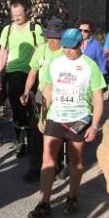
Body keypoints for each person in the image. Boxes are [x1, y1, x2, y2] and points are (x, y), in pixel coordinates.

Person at [28, 28, 105, 218]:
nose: (68, 51)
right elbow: (47, 91)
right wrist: (42, 117)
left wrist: (95, 125)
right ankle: (44, 203)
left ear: (81, 45)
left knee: (75, 160)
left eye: (72, 47)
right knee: (48, 161)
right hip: (56, 116)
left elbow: (98, 99)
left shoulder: (90, 66)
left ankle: (72, 197)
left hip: (79, 118)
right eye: (65, 47)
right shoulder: (55, 62)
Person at [0, 0, 44, 158]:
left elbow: (41, 51)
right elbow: (3, 53)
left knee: (32, 109)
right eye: (13, 15)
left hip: (31, 73)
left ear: (27, 13)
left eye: (19, 15)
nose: (16, 18)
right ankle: (20, 141)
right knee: (16, 110)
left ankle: (32, 139)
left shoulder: (35, 29)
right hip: (12, 73)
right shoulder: (8, 30)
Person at [19, 18, 66, 183]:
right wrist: (26, 92)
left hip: (60, 97)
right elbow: (32, 73)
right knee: (37, 130)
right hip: (40, 94)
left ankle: (58, 165)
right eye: (50, 36)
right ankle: (35, 167)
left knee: (57, 131)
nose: (52, 40)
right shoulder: (41, 50)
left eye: (56, 37)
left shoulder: (66, 52)